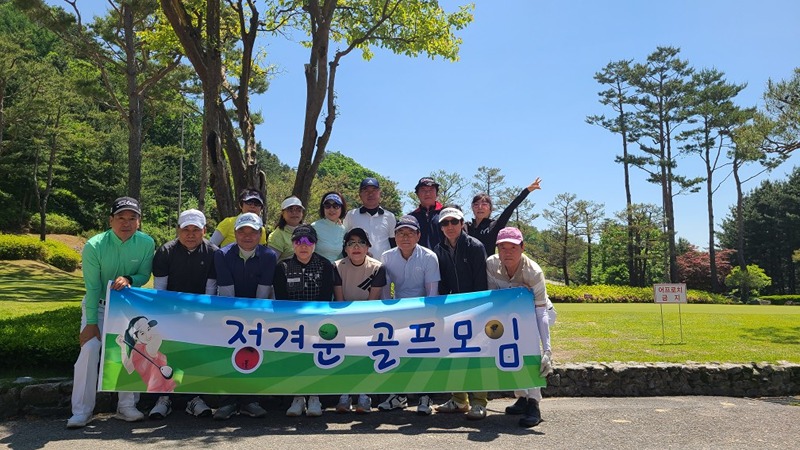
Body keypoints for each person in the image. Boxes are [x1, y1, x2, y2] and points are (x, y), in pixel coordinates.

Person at [67, 197, 155, 429]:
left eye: (132, 218)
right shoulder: (95, 245)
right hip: (98, 303)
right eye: (120, 218)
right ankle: (82, 411)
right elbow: (93, 287)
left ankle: (126, 406)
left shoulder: (146, 243)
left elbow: (144, 275)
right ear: (111, 220)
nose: (126, 223)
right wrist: (92, 322)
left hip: (127, 305)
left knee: (129, 348)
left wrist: (129, 278)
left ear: (139, 221)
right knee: (90, 347)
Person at [150, 208, 218, 419]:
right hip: (169, 313)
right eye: (185, 229)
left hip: (199, 314)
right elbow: (160, 290)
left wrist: (201, 319)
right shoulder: (165, 252)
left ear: (204, 230)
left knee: (194, 356)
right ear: (177, 230)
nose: (190, 234)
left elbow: (210, 290)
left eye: (195, 230)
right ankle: (164, 398)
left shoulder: (214, 252)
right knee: (166, 355)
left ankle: (194, 398)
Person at [486, 227, 556, 428]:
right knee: (511, 352)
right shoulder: (491, 264)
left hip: (537, 313)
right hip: (510, 314)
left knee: (529, 350)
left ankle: (534, 403)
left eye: (513, 247)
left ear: (522, 248)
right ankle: (522, 397)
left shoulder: (533, 271)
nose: (508, 252)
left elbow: (541, 311)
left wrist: (547, 350)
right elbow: (494, 298)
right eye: (503, 247)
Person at [213, 212, 279, 420]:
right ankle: (228, 401)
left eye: (253, 232)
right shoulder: (222, 254)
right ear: (235, 233)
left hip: (258, 314)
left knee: (253, 355)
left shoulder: (269, 256)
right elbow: (226, 289)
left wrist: (253, 317)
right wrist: (236, 318)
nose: (247, 236)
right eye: (242, 231)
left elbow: (264, 289)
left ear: (260, 234)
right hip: (229, 313)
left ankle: (251, 400)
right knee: (229, 356)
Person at [377, 215, 440, 415]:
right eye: (401, 233)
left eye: (410, 233)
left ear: (418, 235)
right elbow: (386, 289)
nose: (405, 237)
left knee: (422, 355)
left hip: (424, 311)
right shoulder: (387, 256)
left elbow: (432, 292)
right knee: (397, 353)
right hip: (398, 312)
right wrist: (390, 313)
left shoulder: (429, 256)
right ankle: (398, 396)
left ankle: (425, 396)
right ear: (394, 236)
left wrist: (426, 317)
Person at [432, 207, 489, 420]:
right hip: (451, 311)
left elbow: (481, 282)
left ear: (462, 223)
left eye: (453, 222)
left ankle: (479, 402)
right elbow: (443, 282)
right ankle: (458, 399)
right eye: (445, 223)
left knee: (476, 356)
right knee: (453, 356)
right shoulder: (439, 249)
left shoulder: (475, 246)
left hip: (475, 309)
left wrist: (478, 309)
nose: (450, 227)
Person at [273, 225, 335, 417]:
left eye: (308, 241)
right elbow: (281, 298)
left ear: (315, 245)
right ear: (292, 244)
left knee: (316, 360)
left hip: (318, 322)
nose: (303, 246)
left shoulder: (326, 266)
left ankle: (315, 397)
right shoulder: (282, 267)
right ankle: (298, 397)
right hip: (292, 324)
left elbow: (326, 296)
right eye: (299, 241)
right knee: (296, 361)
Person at [332, 227, 387, 414]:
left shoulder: (378, 267)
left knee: (365, 354)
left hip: (368, 318)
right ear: (345, 248)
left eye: (361, 242)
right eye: (351, 243)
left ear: (368, 247)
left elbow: (373, 301)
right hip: (344, 318)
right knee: (345, 355)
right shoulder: (337, 266)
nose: (356, 247)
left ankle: (365, 395)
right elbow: (339, 300)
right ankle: (344, 395)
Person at [468, 177, 541, 254]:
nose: (480, 207)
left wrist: (527, 191)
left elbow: (510, 208)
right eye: (476, 204)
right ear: (472, 208)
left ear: (490, 209)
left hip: (487, 265)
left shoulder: (494, 226)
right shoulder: (466, 227)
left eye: (484, 204)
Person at [342, 177, 396, 258]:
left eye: (374, 190)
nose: (370, 194)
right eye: (366, 191)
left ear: (379, 193)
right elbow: (344, 241)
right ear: (360, 194)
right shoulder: (351, 215)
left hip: (384, 266)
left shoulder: (390, 217)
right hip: (357, 266)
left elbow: (394, 243)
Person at [408, 177, 444, 250]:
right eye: (423, 190)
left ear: (436, 194)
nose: (427, 193)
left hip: (444, 260)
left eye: (431, 190)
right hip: (419, 260)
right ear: (417, 194)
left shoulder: (446, 214)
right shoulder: (410, 218)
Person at [311, 191, 346, 262]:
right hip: (317, 270)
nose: (331, 209)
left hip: (336, 270)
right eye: (327, 206)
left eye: (336, 206)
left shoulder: (343, 229)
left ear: (341, 208)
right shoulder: (314, 227)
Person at [268, 196, 306, 260]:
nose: (294, 213)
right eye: (290, 210)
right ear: (283, 213)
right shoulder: (276, 236)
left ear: (302, 213)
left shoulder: (308, 231)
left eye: (298, 210)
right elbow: (270, 263)